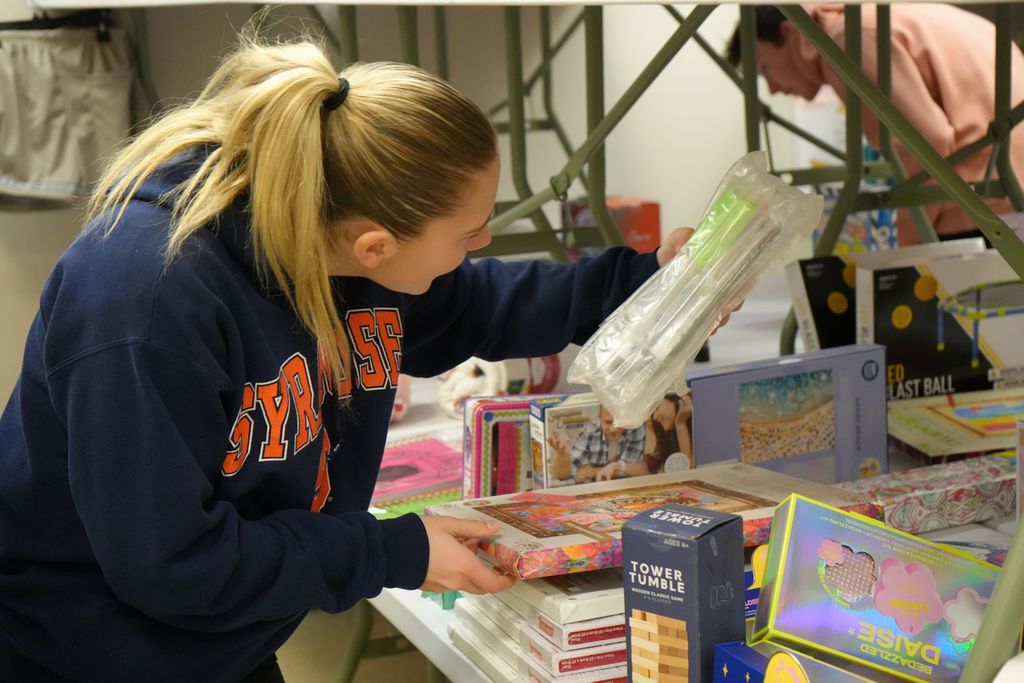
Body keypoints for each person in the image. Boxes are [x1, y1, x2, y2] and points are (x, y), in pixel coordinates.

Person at [0, 33, 725, 683]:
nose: (478, 247)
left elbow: (480, 306)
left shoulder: (334, 237)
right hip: (82, 652)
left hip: (223, 641)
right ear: (374, 244)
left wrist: (642, 284)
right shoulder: (140, 300)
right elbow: (174, 564)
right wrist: (389, 552)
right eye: (468, 235)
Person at [727, 4, 1024, 245]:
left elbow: (929, 145)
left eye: (765, 68)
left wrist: (908, 243)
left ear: (789, 32)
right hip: (1008, 189)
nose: (774, 89)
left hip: (986, 204)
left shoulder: (848, 39)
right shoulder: (870, 18)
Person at [547, 405, 648, 484]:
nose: (614, 429)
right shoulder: (589, 430)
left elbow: (639, 471)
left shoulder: (635, 428)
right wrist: (563, 456)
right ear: (599, 418)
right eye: (608, 422)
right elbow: (566, 476)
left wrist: (589, 472)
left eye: (619, 422)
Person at [643, 393, 694, 474]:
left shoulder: (701, 429)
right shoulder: (668, 437)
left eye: (657, 407)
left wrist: (681, 424)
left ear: (679, 400)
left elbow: (690, 472)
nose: (655, 417)